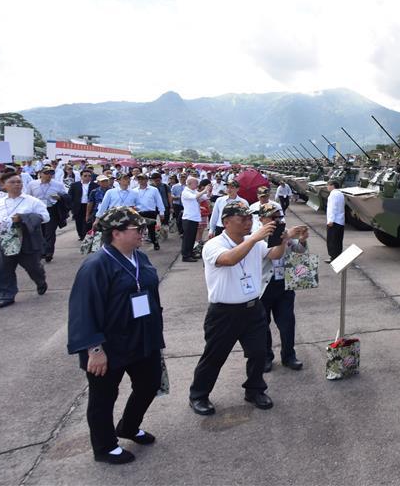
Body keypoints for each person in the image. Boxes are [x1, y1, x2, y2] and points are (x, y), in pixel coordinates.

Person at [67, 206, 165, 465]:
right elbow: (82, 310)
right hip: (109, 344)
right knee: (103, 397)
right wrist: (94, 349)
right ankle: (104, 446)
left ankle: (129, 426)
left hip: (141, 337)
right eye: (137, 229)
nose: (143, 232)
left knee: (150, 383)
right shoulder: (96, 265)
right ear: (116, 233)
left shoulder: (140, 257)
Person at [188, 202, 305, 416]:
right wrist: (253, 239)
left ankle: (255, 389)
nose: (248, 223)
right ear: (226, 222)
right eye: (242, 219)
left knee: (258, 353)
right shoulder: (214, 245)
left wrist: (282, 240)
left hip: (252, 308)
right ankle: (198, 395)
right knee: (214, 356)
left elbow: (275, 255)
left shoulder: (254, 243)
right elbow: (229, 259)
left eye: (250, 218)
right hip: (224, 313)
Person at [0, 172, 49, 308]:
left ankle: (40, 281)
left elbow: (45, 217)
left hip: (27, 239)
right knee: (4, 269)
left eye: (19, 182)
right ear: (4, 185)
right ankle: (6, 296)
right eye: (12, 182)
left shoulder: (32, 201)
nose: (17, 184)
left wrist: (23, 218)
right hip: (6, 239)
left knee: (33, 267)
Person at [257, 203, 308, 372]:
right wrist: (285, 237)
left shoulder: (284, 232)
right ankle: (266, 357)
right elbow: (270, 252)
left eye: (278, 217)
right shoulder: (256, 236)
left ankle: (289, 356)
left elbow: (297, 251)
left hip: (284, 283)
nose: (276, 221)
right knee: (263, 324)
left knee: (287, 322)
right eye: (272, 218)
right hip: (264, 285)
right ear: (262, 219)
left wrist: (302, 240)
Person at [25, 166, 68, 262]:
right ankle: (41, 250)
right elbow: (28, 197)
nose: (49, 175)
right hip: (37, 211)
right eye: (46, 173)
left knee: (50, 232)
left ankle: (49, 252)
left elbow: (66, 196)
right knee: (39, 231)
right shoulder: (32, 184)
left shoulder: (58, 185)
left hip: (51, 209)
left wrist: (59, 198)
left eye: (51, 173)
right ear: (40, 174)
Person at [180, 177, 211, 262]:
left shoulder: (194, 191)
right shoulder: (186, 192)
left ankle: (190, 253)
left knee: (192, 237)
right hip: (188, 218)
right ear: (190, 183)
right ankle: (185, 255)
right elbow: (195, 197)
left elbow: (205, 197)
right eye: (196, 183)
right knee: (188, 238)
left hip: (194, 217)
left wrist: (208, 191)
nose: (197, 185)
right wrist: (204, 190)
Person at [133, 174, 165, 251]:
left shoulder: (153, 190)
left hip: (150, 212)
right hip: (139, 212)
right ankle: (136, 245)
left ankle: (155, 242)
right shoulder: (134, 190)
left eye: (143, 179)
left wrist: (161, 212)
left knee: (151, 230)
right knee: (138, 230)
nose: (141, 181)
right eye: (139, 179)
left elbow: (159, 201)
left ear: (147, 180)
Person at [69, 169, 98, 241]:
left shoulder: (95, 185)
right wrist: (71, 206)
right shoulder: (75, 185)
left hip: (90, 206)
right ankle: (81, 235)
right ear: (81, 176)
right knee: (79, 222)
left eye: (89, 176)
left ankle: (87, 235)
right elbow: (70, 196)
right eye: (85, 176)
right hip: (78, 206)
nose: (87, 177)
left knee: (88, 221)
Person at [325, 179, 345, 262]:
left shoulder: (333, 194)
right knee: (338, 240)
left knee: (332, 240)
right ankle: (338, 256)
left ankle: (333, 257)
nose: (327, 187)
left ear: (332, 186)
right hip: (340, 221)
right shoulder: (340, 193)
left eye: (328, 185)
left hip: (334, 221)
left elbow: (332, 208)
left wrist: (330, 220)